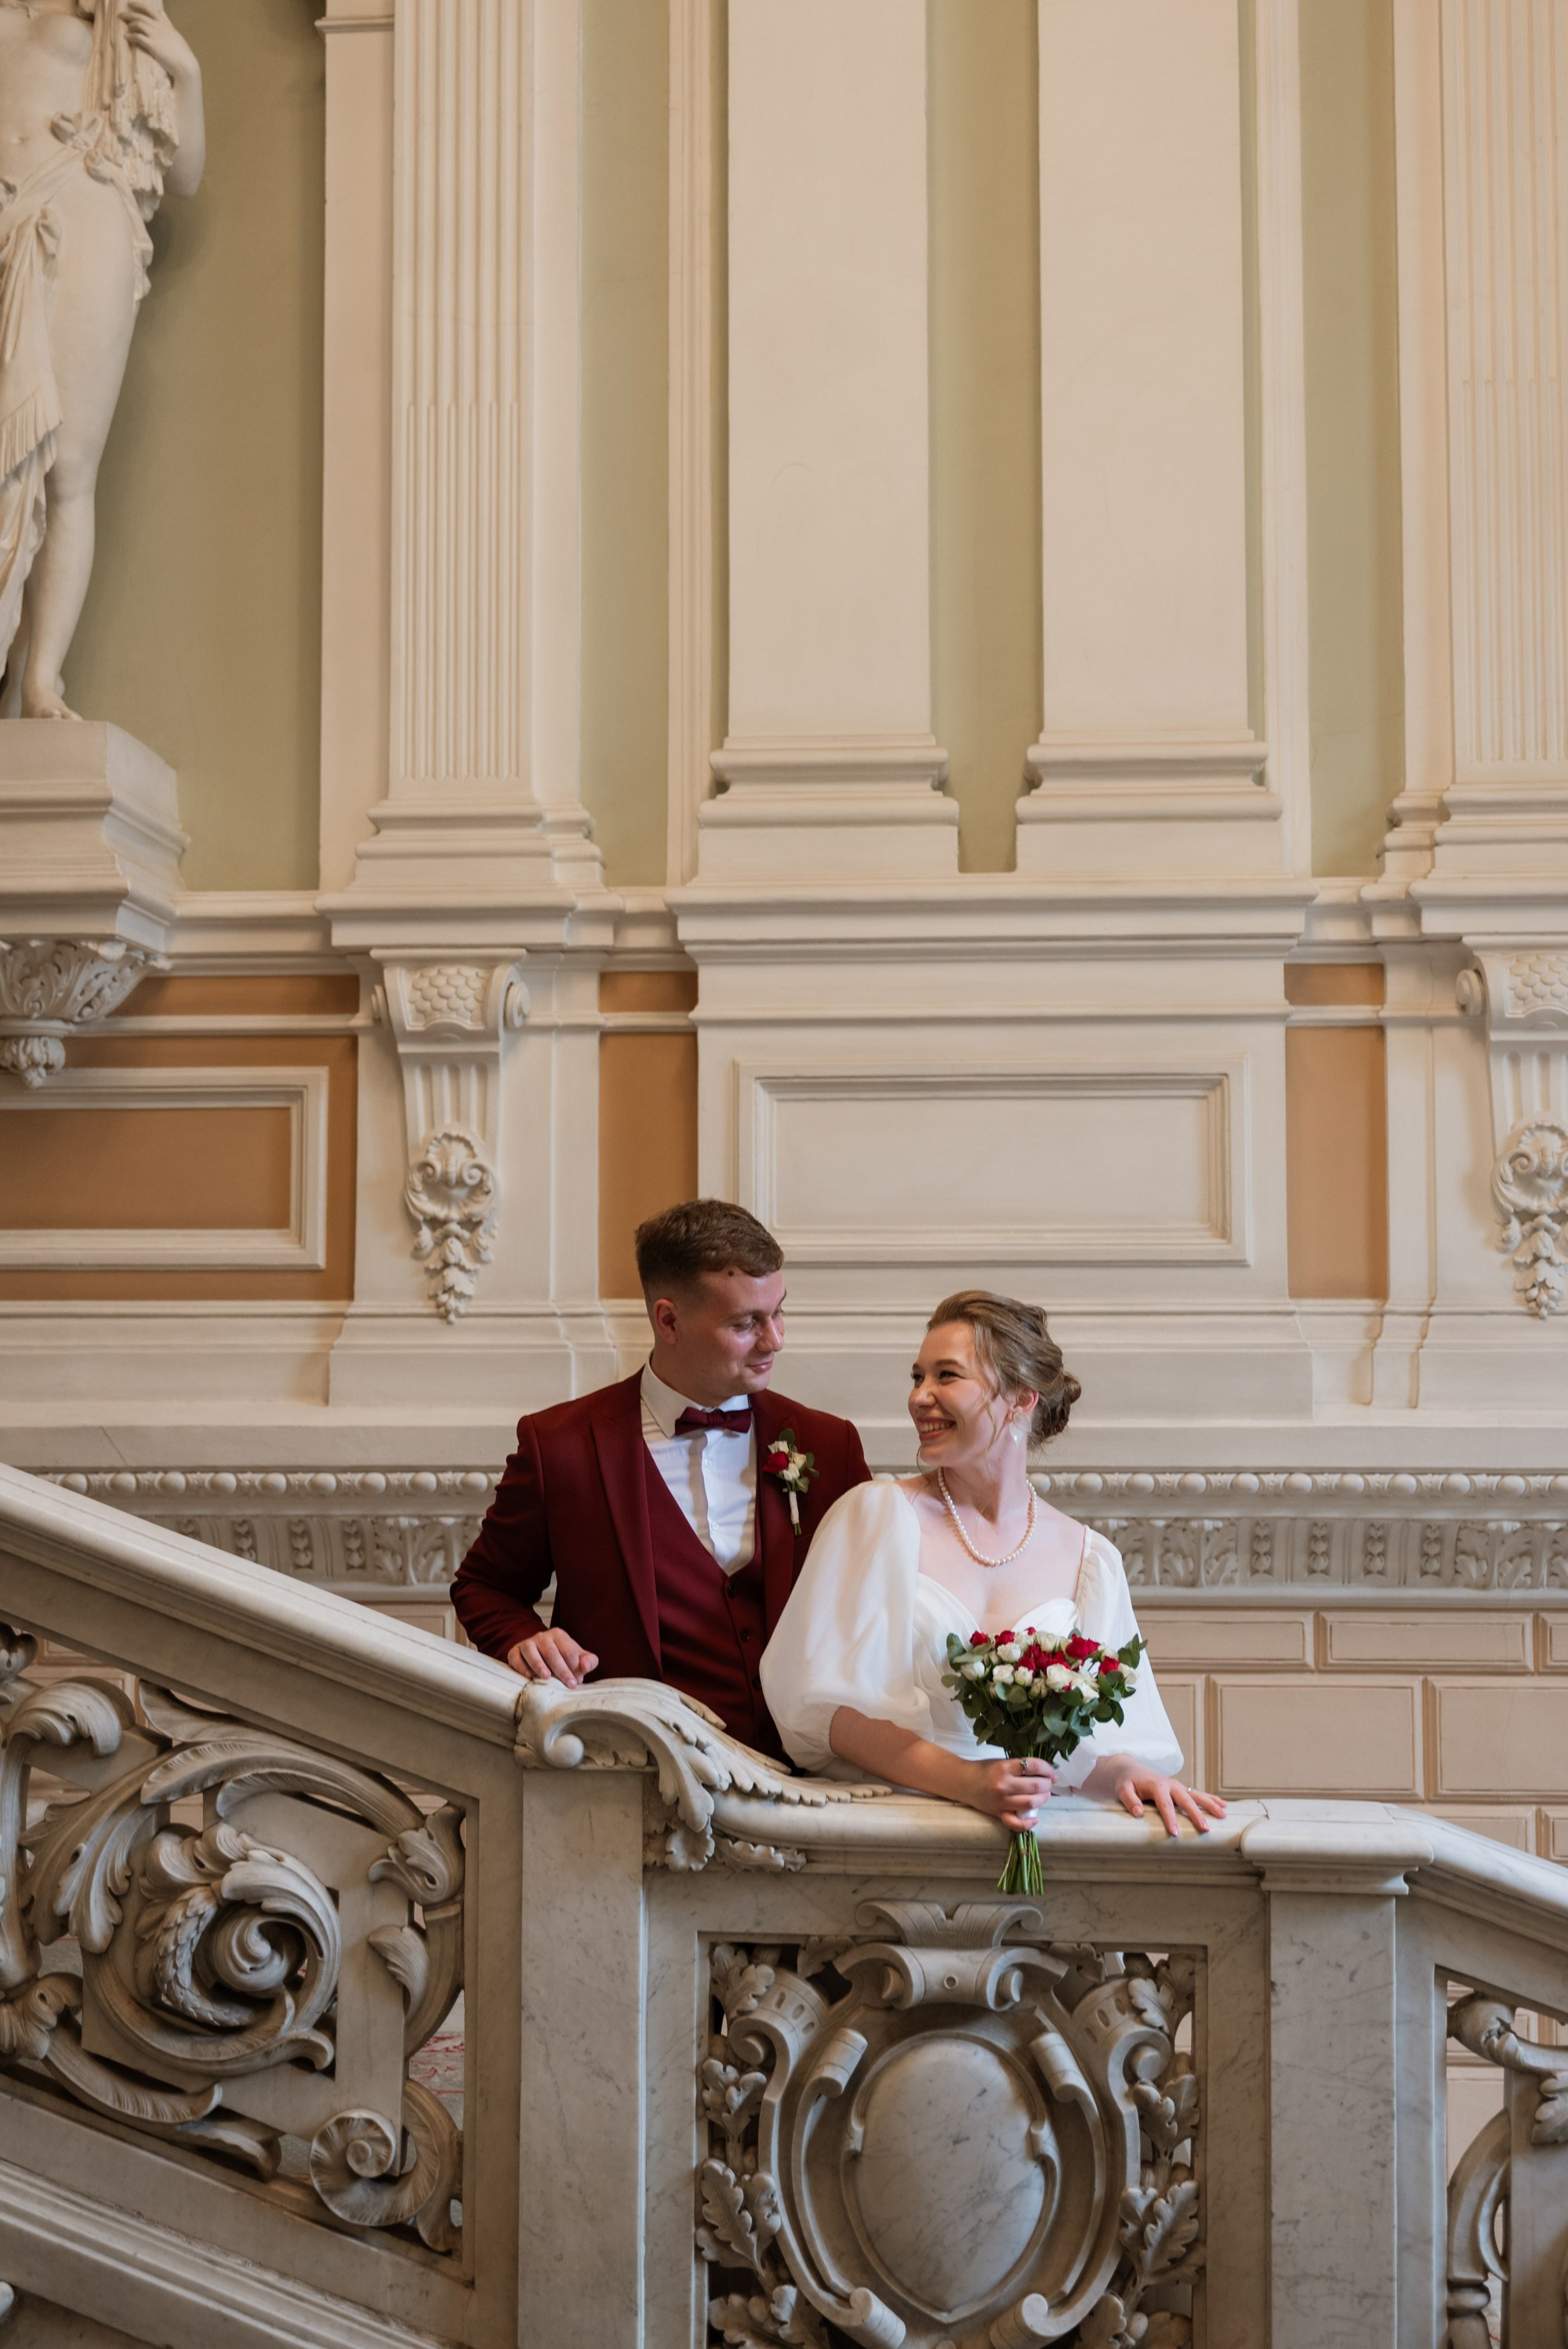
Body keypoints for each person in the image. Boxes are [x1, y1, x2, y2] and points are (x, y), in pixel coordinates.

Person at [760, 1289, 1225, 1839]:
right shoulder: (875, 1516)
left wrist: (1127, 1773)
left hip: (1026, 1833)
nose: (919, 1397)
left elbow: (1083, 1748)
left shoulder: (1089, 1557)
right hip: (894, 1828)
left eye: (947, 1376)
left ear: (1020, 1399)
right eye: (917, 1377)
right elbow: (826, 1713)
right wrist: (968, 1782)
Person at [451, 1199, 872, 1760]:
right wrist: (526, 1640)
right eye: (745, 1324)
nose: (775, 1340)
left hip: (807, 1773)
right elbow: (484, 1587)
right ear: (668, 1320)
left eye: (778, 1313)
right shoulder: (560, 1446)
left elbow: (876, 1609)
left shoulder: (829, 1444)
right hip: (627, 1772)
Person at [0, 0, 205, 719]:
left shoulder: (117, 21)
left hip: (81, 211)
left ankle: (39, 679)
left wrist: (187, 72)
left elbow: (184, 175)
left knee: (68, 468)